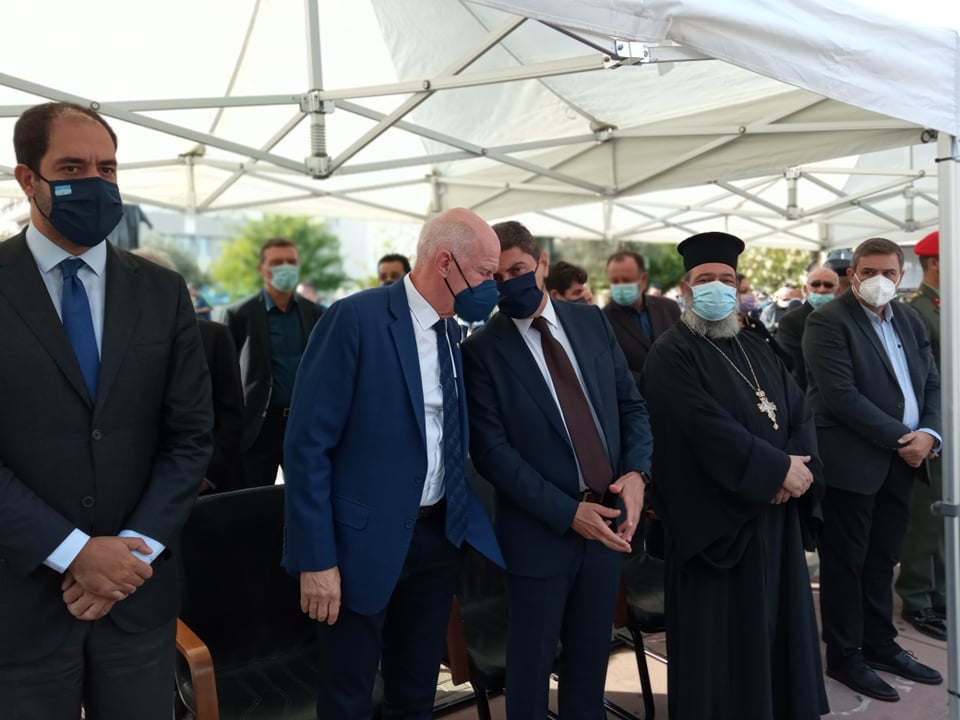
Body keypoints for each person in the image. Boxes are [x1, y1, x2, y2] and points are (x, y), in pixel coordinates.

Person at [0, 101, 213, 719]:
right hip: (22, 603)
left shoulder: (161, 291)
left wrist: (130, 553)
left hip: (137, 600)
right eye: (73, 167)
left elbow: (190, 436)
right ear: (28, 178)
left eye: (108, 168)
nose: (95, 182)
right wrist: (73, 551)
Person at [283, 208, 503, 719]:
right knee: (349, 698)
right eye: (485, 272)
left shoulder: (452, 332)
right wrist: (316, 559)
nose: (491, 287)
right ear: (445, 262)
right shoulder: (355, 319)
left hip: (436, 538)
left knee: (417, 693)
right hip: (358, 545)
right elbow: (307, 447)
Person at [462, 221, 652, 719]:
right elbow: (493, 453)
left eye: (518, 271)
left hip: (606, 523)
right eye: (495, 278)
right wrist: (568, 513)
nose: (508, 284)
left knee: (589, 666)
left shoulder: (590, 322)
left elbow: (630, 406)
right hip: (540, 533)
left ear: (542, 264)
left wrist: (638, 474)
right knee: (529, 672)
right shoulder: (481, 350)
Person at [642, 231, 828, 720]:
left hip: (775, 521)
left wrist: (797, 468)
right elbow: (700, 428)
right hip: (719, 527)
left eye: (727, 279)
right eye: (706, 279)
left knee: (776, 638)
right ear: (686, 289)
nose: (718, 288)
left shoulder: (756, 345)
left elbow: (798, 411)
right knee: (721, 653)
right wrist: (776, 470)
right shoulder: (671, 352)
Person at [804, 236, 942, 701]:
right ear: (853, 275)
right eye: (868, 272)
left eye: (888, 273)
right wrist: (906, 440)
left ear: (901, 276)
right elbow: (841, 397)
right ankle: (846, 655)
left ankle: (881, 644)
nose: (878, 281)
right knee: (847, 563)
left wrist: (930, 433)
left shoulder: (908, 318)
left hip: (902, 462)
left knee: (883, 559)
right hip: (852, 462)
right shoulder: (828, 321)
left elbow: (932, 382)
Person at [134, 248, 245, 492]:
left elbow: (231, 415)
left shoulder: (213, 337)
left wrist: (205, 475)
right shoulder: (110, 344)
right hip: (134, 487)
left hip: (202, 487)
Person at [222, 238, 323, 487]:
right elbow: (224, 375)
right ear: (262, 268)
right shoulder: (239, 315)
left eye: (291, 261)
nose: (285, 267)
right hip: (258, 427)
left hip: (304, 424)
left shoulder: (316, 313)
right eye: (277, 262)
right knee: (254, 500)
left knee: (306, 495)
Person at [894, 230, 947, 640]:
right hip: (931, 426)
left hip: (949, 426)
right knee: (927, 517)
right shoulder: (917, 310)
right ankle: (917, 596)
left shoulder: (945, 306)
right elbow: (919, 377)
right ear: (934, 262)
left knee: (946, 516)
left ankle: (941, 592)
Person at [603, 250, 681, 385]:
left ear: (643, 279)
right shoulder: (603, 319)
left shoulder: (669, 308)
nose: (620, 286)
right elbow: (610, 367)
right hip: (636, 394)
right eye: (615, 281)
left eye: (626, 280)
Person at [775, 265, 841, 391]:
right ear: (805, 289)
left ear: (837, 291)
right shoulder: (790, 321)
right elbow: (795, 365)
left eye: (828, 285)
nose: (822, 289)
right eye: (815, 284)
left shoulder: (845, 318)